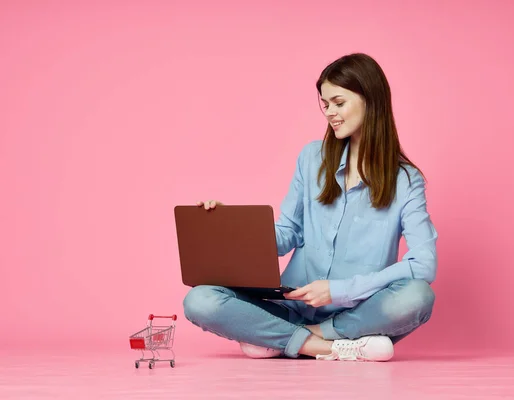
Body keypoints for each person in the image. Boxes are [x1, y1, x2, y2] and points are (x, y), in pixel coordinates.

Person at [183, 53, 438, 362]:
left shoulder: (406, 181)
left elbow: (423, 264)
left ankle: (283, 338)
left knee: (417, 297)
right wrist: (230, 225)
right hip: (291, 307)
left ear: (371, 99)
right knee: (200, 299)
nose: (330, 113)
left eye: (339, 103)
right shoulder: (311, 158)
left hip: (357, 312)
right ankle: (333, 347)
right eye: (325, 104)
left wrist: (340, 290)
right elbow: (285, 234)